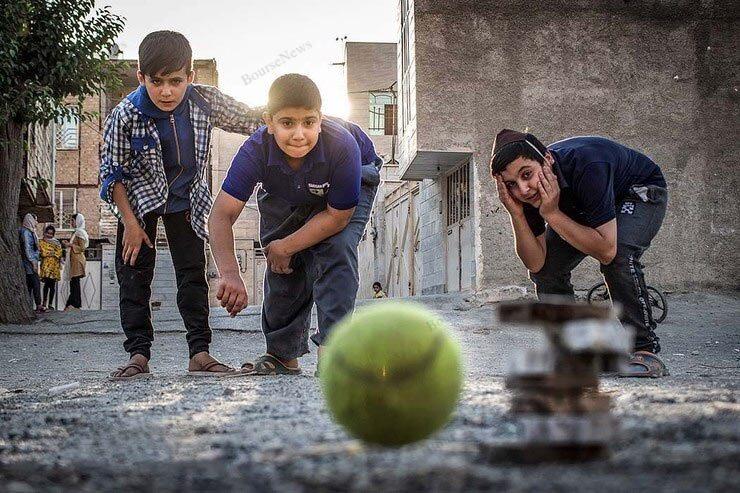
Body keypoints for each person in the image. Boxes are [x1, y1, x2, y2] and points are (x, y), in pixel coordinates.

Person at [99, 31, 262, 380]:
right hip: (137, 204)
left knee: (191, 275)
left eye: (176, 81)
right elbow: (112, 175)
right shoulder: (124, 115)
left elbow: (252, 120)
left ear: (190, 76)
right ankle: (138, 355)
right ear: (142, 78)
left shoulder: (204, 101)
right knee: (134, 276)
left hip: (186, 200)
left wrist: (295, 126)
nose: (167, 92)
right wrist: (129, 223)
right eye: (156, 82)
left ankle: (200, 353)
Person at [209, 73, 381, 376]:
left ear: (320, 118)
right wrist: (230, 273)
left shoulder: (342, 145)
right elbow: (221, 215)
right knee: (283, 266)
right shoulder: (255, 150)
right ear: (269, 121)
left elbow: (337, 217)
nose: (299, 134)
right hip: (288, 188)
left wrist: (286, 246)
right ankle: (282, 354)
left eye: (309, 122)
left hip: (351, 181)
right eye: (287, 123)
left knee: (336, 248)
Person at [490, 129, 669, 378]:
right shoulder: (526, 195)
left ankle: (645, 350)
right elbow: (536, 263)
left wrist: (552, 214)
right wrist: (516, 214)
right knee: (548, 270)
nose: (524, 189)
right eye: (511, 184)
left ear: (548, 160)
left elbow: (606, 250)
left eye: (527, 174)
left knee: (618, 256)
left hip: (637, 192)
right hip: (584, 207)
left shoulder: (588, 164)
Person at [63, 213, 88, 311]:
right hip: (74, 259)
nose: (71, 223)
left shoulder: (80, 233)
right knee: (73, 282)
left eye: (72, 221)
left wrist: (70, 245)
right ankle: (72, 303)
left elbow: (82, 248)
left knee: (75, 282)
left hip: (78, 260)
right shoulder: (76, 232)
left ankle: (76, 304)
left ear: (77, 221)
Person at [20, 213, 44, 313]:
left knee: (30, 284)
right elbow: (27, 248)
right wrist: (33, 261)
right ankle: (38, 305)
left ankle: (30, 306)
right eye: (35, 220)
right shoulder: (26, 232)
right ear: (30, 220)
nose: (37, 222)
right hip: (28, 263)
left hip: (30, 263)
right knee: (35, 283)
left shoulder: (30, 231)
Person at [39, 224, 64, 310]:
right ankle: (44, 303)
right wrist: (52, 253)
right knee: (46, 285)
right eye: (48, 233)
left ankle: (50, 304)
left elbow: (59, 253)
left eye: (51, 234)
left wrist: (51, 253)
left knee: (52, 286)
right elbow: (43, 252)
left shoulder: (56, 242)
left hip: (54, 267)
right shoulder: (41, 242)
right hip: (46, 266)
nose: (49, 235)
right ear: (45, 233)